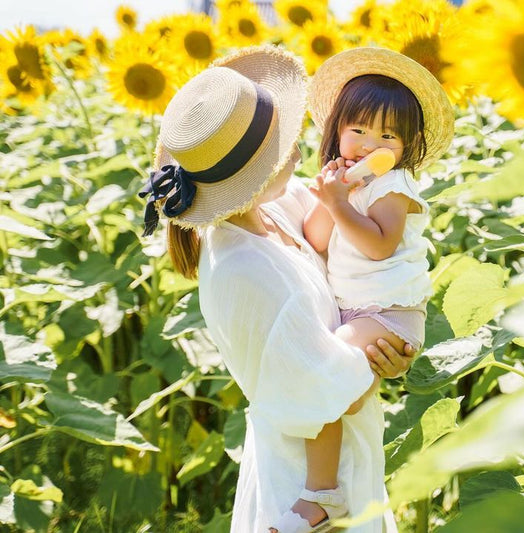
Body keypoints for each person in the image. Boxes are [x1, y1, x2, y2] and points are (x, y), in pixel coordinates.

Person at [138, 45, 414, 533]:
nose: (303, 149)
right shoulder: (244, 268)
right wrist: (384, 354)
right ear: (255, 174)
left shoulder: (276, 209)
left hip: (342, 459)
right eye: (287, 146)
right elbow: (332, 390)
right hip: (304, 489)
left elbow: (341, 237)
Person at [299, 47, 455, 532]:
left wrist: (343, 204)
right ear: (337, 131)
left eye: (387, 135)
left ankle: (321, 497)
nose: (369, 145)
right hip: (356, 314)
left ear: (406, 146)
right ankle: (323, 493)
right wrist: (331, 197)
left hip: (389, 313)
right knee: (326, 391)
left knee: (327, 382)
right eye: (359, 130)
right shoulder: (342, 183)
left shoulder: (395, 187)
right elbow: (316, 238)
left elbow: (379, 247)